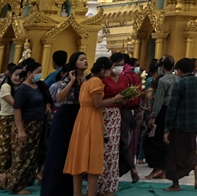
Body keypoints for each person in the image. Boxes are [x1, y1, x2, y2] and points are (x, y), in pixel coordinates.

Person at [64, 56, 126, 196]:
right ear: (103, 69)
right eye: (108, 70)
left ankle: (77, 193)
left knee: (79, 158)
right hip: (93, 119)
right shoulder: (97, 82)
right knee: (94, 158)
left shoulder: (87, 81)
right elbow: (98, 104)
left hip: (82, 119)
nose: (110, 73)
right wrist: (115, 99)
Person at [41, 52, 89, 196]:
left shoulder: (89, 78)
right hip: (66, 115)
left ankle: (72, 189)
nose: (85, 61)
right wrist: (71, 82)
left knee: (74, 153)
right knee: (59, 152)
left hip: (80, 115)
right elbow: (59, 97)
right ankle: (54, 189)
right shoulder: (68, 78)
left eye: (86, 59)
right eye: (81, 59)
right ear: (75, 63)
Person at [163, 57, 197, 191]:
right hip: (195, 124)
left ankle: (175, 184)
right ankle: (196, 169)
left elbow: (172, 107)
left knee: (175, 152)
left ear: (179, 70)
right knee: (190, 148)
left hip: (179, 124)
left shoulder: (179, 84)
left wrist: (167, 128)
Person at [8, 60, 51, 195]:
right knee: (22, 155)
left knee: (31, 156)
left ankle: (11, 178)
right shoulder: (23, 89)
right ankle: (16, 185)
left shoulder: (38, 87)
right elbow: (17, 109)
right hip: (26, 125)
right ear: (29, 73)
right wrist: (21, 130)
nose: (39, 75)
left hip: (38, 125)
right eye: (37, 73)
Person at [0, 65, 25, 189]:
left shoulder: (22, 88)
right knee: (1, 150)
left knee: (12, 151)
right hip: (5, 120)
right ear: (10, 75)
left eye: (21, 75)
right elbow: (15, 104)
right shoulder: (5, 87)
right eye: (16, 75)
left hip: (17, 120)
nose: (18, 77)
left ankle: (4, 177)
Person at [109, 53, 141, 184]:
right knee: (122, 142)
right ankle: (130, 169)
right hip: (122, 111)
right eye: (118, 65)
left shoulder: (123, 78)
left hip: (121, 111)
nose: (120, 67)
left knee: (120, 142)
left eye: (122, 65)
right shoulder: (130, 76)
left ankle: (129, 169)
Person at [145, 56, 177, 180]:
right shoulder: (178, 79)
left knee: (152, 140)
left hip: (163, 112)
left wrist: (153, 116)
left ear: (162, 67)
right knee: (166, 141)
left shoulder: (162, 80)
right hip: (174, 112)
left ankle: (157, 167)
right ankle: (164, 169)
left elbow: (158, 100)